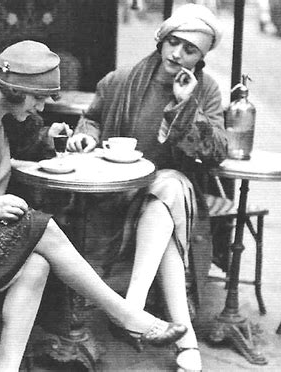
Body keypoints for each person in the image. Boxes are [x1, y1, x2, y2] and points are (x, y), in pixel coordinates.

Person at [0, 40, 188, 372]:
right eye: (38, 99)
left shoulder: (3, 112)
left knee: (39, 262)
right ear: (14, 90)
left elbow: (27, 144)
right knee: (42, 226)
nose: (41, 108)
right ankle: (125, 313)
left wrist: (54, 138)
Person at [67, 4, 228, 371]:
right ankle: (186, 342)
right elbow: (91, 120)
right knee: (164, 220)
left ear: (201, 57)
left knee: (168, 185)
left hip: (177, 193)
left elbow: (216, 153)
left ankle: (130, 309)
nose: (177, 54)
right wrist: (85, 138)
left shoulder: (206, 90)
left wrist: (188, 105)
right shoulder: (121, 80)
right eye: (173, 42)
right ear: (161, 39)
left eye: (190, 50)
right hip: (117, 193)